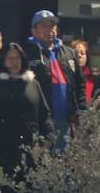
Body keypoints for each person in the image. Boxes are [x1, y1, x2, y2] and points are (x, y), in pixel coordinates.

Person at [0, 42, 53, 190]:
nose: (14, 61)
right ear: (2, 60)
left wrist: (48, 138)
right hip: (1, 151)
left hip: (30, 151)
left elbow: (45, 114)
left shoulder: (33, 84)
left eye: (17, 57)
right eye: (9, 58)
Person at [24, 9, 85, 143]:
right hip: (40, 121)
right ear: (33, 31)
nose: (49, 29)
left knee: (63, 161)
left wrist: (81, 111)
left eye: (52, 26)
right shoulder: (26, 54)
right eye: (44, 26)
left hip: (66, 121)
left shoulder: (69, 53)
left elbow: (80, 83)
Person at [70, 38, 96, 103]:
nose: (79, 55)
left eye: (82, 53)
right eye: (76, 53)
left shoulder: (93, 79)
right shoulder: (67, 76)